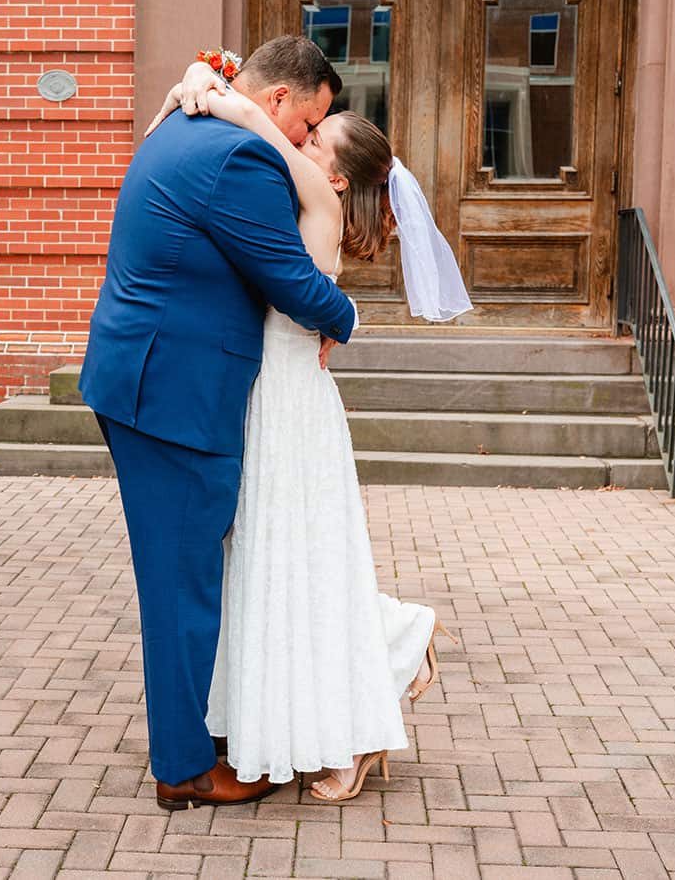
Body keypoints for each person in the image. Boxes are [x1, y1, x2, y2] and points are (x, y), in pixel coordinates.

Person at [150, 54, 471, 802]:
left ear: (332, 177)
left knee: (293, 558)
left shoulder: (318, 207)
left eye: (316, 140)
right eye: (309, 127)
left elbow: (263, 125)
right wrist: (196, 83)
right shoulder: (294, 197)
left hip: (291, 406)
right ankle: (386, 650)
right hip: (268, 400)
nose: (303, 138)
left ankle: (354, 732)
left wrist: (218, 94)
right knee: (275, 561)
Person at [79, 36, 358, 812]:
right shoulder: (240, 160)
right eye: (308, 124)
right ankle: (183, 769)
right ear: (276, 104)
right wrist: (349, 314)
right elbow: (293, 282)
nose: (305, 142)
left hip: (148, 381)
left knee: (188, 573)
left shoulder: (188, 126)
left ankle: (202, 731)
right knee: (179, 582)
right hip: (172, 397)